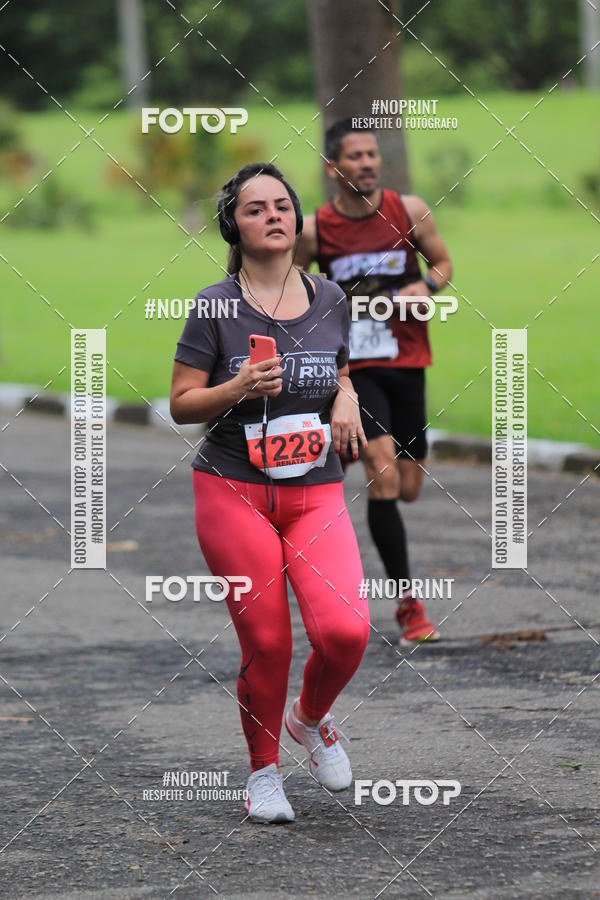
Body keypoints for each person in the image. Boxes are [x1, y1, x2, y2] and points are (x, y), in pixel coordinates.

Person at [170, 162, 370, 824]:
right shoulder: (214, 306)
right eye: (256, 209)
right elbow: (180, 404)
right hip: (233, 491)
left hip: (316, 491)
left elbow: (339, 367)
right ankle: (263, 776)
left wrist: (346, 397)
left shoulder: (332, 298)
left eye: (282, 205)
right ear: (236, 225)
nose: (273, 215)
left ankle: (309, 720)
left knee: (346, 631)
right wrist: (236, 389)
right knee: (270, 642)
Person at [296, 118, 453, 645]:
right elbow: (293, 289)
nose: (366, 163)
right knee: (383, 476)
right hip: (354, 371)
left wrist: (425, 284)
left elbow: (445, 262)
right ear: (333, 167)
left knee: (408, 488)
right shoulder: (315, 229)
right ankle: (409, 606)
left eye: (372, 154)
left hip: (407, 360)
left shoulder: (408, 210)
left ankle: (338, 449)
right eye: (355, 156)